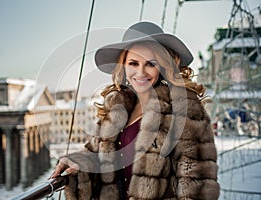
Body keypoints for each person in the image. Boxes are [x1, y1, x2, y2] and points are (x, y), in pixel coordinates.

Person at [50, 21, 220, 200]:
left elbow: (197, 183)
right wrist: (77, 161)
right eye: (133, 63)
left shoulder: (184, 108)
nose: (141, 72)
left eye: (150, 64)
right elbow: (96, 153)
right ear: (123, 66)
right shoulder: (116, 108)